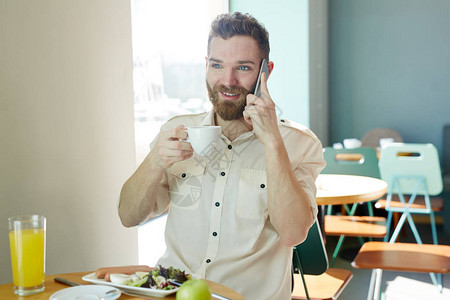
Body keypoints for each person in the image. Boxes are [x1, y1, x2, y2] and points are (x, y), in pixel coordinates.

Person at [119, 12, 325, 299]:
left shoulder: (298, 144)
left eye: (242, 67)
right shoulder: (177, 130)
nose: (227, 81)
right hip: (174, 292)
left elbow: (293, 234)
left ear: (265, 72)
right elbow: (128, 217)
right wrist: (154, 161)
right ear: (206, 66)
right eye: (217, 65)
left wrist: (273, 144)